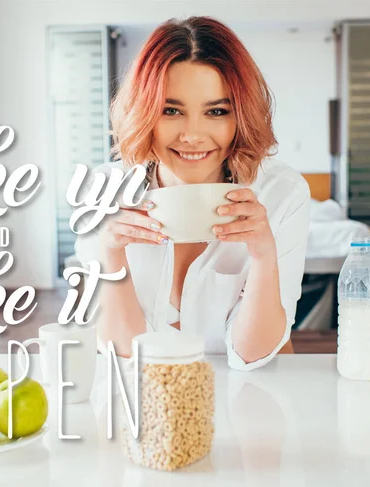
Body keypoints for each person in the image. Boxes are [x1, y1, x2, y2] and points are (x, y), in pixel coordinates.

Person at [74, 16, 310, 371]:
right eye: (171, 111)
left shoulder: (281, 193)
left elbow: (252, 355)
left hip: (250, 397)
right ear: (144, 112)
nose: (193, 135)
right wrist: (111, 252)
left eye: (216, 111)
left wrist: (263, 255)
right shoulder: (104, 193)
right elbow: (124, 353)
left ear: (240, 116)